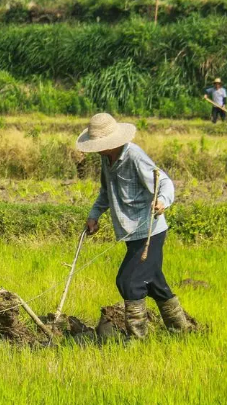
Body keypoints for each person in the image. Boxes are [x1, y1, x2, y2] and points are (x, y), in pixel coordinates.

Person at [76, 113, 192, 339]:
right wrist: (94, 215)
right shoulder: (106, 159)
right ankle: (182, 331)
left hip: (149, 231)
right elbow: (105, 192)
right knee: (155, 283)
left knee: (128, 281)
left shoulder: (134, 156)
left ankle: (137, 340)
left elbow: (164, 181)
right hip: (129, 234)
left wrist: (162, 201)